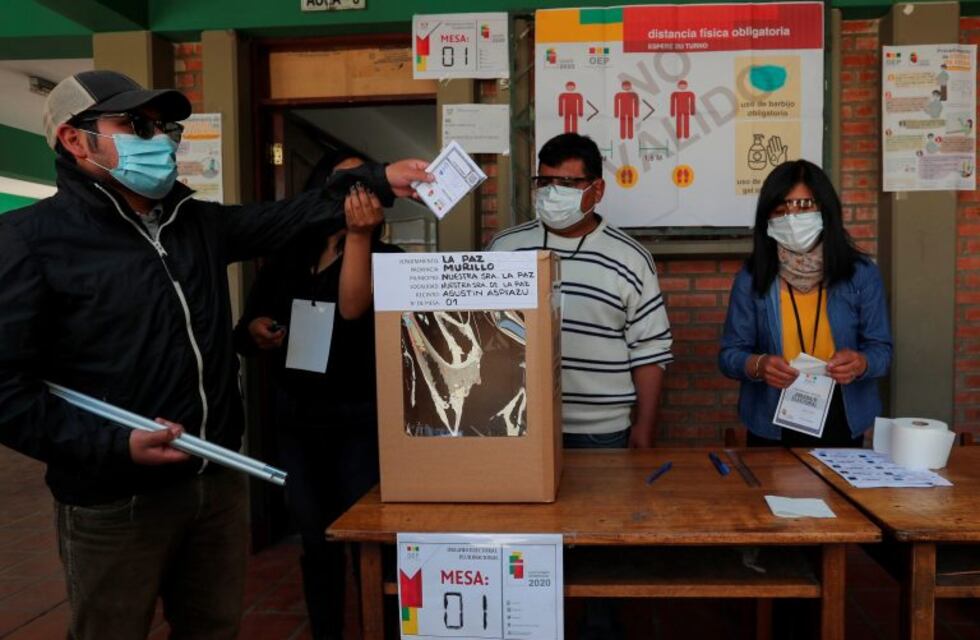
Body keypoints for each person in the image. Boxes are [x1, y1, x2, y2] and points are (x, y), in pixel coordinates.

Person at [0, 70, 431, 640]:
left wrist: (379, 179)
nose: (158, 139)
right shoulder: (28, 241)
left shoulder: (195, 224)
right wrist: (112, 444)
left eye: (164, 126)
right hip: (113, 499)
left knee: (213, 629)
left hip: (216, 481)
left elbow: (288, 216)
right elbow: (7, 393)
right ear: (75, 140)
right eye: (134, 124)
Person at [233, 152, 397, 640]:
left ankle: (379, 629)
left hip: (360, 419)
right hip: (297, 420)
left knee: (369, 543)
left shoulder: (388, 261)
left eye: (360, 181)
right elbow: (244, 330)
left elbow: (353, 311)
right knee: (315, 537)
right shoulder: (286, 258)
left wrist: (360, 238)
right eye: (339, 181)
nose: (350, 191)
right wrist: (254, 331)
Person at [487, 133, 672, 449]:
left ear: (597, 189)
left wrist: (644, 427)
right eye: (544, 182)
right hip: (516, 424)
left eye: (567, 184)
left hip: (601, 432)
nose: (552, 193)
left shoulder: (630, 258)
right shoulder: (505, 248)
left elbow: (650, 349)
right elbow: (483, 334)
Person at [719, 159, 892, 447]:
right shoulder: (752, 278)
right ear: (767, 217)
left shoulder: (860, 274)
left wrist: (861, 363)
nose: (791, 217)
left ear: (825, 208)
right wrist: (758, 365)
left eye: (803, 205)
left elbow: (882, 351)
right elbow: (729, 356)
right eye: (781, 208)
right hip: (772, 417)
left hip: (842, 414)